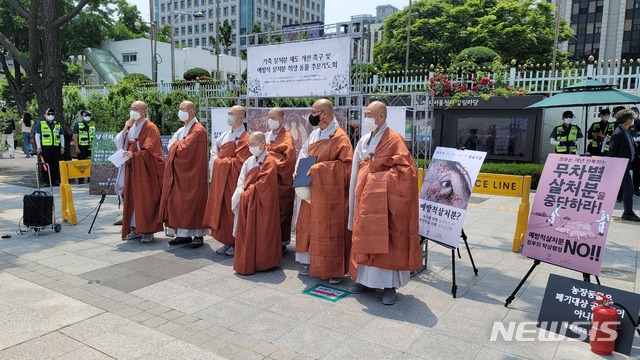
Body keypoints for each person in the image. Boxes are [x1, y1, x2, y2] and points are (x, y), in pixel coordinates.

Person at [347, 101, 421, 305]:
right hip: (365, 201)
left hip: (385, 203)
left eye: (370, 115)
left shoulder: (394, 140)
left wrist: (377, 181)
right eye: (365, 114)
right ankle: (363, 281)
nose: (366, 118)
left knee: (389, 241)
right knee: (364, 237)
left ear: (381, 117)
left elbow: (407, 172)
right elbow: (358, 170)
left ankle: (389, 287)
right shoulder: (363, 140)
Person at [295, 98, 353, 284]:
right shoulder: (314, 134)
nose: (311, 116)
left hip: (330, 192)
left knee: (329, 229)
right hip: (311, 187)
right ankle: (311, 261)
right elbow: (304, 153)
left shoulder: (339, 136)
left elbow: (346, 167)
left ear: (324, 114)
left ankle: (333, 270)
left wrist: (320, 169)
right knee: (310, 225)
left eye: (314, 112)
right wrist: (300, 169)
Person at [159, 101, 209, 249]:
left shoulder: (198, 130)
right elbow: (172, 145)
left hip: (193, 175)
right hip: (180, 174)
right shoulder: (183, 130)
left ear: (191, 112)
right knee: (179, 203)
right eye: (179, 108)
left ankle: (198, 235)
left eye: (183, 109)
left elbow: (183, 149)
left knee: (194, 203)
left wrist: (176, 144)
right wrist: (176, 144)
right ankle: (182, 235)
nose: (180, 111)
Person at [231, 131, 282, 275]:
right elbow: (241, 179)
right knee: (247, 232)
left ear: (262, 143)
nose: (250, 147)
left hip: (263, 203)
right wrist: (241, 193)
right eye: (249, 144)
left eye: (252, 144)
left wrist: (248, 192)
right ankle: (247, 260)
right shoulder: (249, 161)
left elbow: (264, 184)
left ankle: (264, 262)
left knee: (263, 232)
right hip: (248, 201)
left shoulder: (269, 161)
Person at [203, 105, 251, 256]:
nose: (229, 116)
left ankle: (236, 243)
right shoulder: (224, 135)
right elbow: (213, 153)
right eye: (228, 113)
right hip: (221, 179)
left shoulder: (246, 138)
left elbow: (240, 162)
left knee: (233, 210)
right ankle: (225, 242)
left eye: (232, 114)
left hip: (234, 180)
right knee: (222, 210)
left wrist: (220, 162)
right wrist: (218, 162)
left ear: (241, 118)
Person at [115, 101, 165, 242]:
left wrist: (135, 155)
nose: (132, 111)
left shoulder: (150, 127)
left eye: (135, 109)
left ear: (143, 111)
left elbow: (151, 149)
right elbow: (121, 141)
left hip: (145, 168)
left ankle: (148, 230)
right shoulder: (132, 126)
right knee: (131, 197)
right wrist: (125, 128)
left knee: (145, 197)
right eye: (131, 109)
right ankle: (135, 228)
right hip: (132, 166)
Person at [265, 107, 296, 253]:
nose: (270, 120)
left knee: (281, 210)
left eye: (274, 117)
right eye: (269, 117)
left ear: (281, 119)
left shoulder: (287, 137)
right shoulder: (266, 135)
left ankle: (281, 243)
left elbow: (286, 161)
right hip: (266, 181)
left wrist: (267, 158)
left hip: (280, 180)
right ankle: (267, 240)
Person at [607, 109, 640, 222]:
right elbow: (612, 151)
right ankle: (628, 213)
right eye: (631, 118)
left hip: (626, 164)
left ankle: (628, 212)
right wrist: (610, 167)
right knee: (629, 189)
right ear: (627, 120)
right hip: (619, 166)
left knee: (627, 189)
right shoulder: (618, 133)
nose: (633, 120)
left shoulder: (627, 131)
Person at [34, 108, 64, 186]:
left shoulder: (58, 124)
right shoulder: (41, 124)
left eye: (52, 114)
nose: (51, 115)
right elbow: (37, 135)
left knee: (55, 164)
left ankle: (55, 180)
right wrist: (39, 147)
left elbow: (61, 136)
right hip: (45, 147)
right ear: (45, 115)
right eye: (49, 114)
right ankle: (45, 181)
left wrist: (62, 146)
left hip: (56, 147)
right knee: (45, 164)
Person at [72, 110, 95, 184]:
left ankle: (90, 178)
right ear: (82, 116)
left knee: (90, 163)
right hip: (81, 147)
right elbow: (75, 137)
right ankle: (81, 179)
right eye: (86, 116)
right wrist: (76, 147)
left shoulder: (92, 126)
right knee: (81, 163)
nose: (87, 117)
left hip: (90, 147)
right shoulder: (78, 125)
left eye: (89, 116)